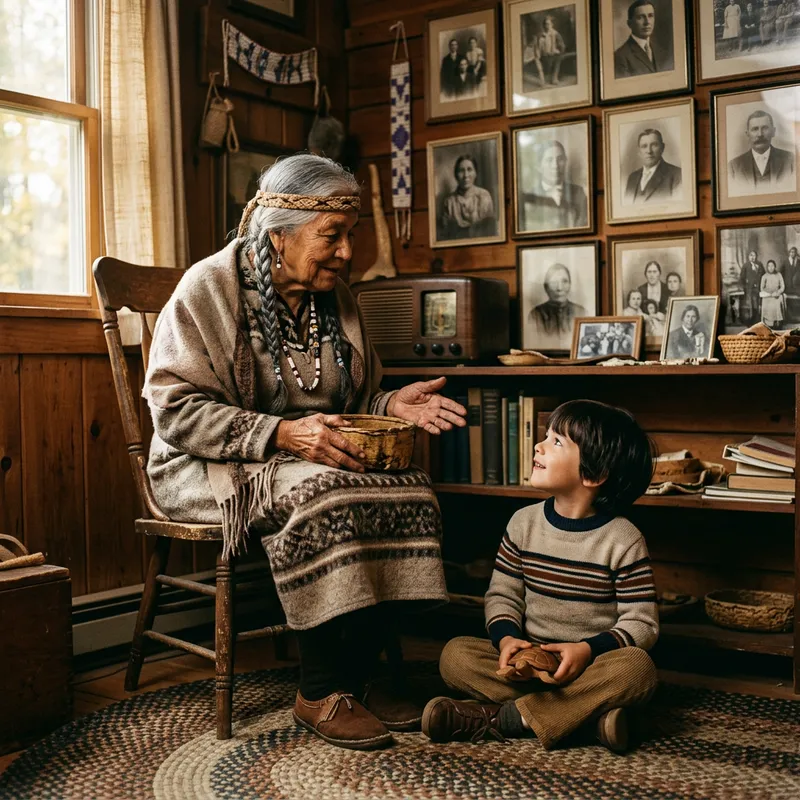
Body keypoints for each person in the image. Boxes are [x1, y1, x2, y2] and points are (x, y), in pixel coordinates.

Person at [143, 153, 468, 751]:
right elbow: (173, 409)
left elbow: (354, 396)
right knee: (327, 494)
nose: (347, 254)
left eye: (351, 236)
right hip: (210, 464)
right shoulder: (209, 288)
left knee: (409, 487)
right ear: (278, 237)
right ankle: (320, 689)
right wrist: (282, 435)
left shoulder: (334, 298)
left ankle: (359, 675)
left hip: (309, 457)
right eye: (333, 237)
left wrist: (393, 405)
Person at [420, 400, 658, 753]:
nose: (538, 445)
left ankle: (503, 719)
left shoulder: (623, 539)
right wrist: (506, 641)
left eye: (557, 442)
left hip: (590, 666)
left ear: (593, 475)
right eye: (545, 436)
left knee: (637, 669)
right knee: (455, 656)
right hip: (527, 667)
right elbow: (503, 595)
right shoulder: (522, 523)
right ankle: (586, 720)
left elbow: (643, 623)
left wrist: (587, 649)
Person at [520, 140, 588, 232]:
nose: (555, 165)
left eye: (560, 159)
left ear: (565, 162)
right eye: (549, 160)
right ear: (539, 166)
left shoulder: (580, 192)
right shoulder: (529, 198)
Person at [728, 110, 796, 194]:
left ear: (773, 132)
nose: (760, 134)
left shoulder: (790, 160)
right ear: (747, 134)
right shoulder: (734, 166)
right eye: (755, 129)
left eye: (765, 128)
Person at [528, 263, 588, 349]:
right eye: (553, 282)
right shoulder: (535, 315)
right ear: (546, 287)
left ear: (570, 284)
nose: (559, 288)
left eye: (564, 281)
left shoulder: (582, 312)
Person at [439, 154, 495, 240]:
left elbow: (490, 231)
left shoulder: (484, 196)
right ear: (456, 175)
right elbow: (446, 235)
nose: (466, 175)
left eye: (469, 169)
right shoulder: (449, 202)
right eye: (461, 170)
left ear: (475, 173)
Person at [613, 0, 673, 77]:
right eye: (640, 17)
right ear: (629, 24)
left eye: (650, 16)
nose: (647, 22)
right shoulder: (620, 56)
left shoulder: (661, 51)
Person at [624, 129, 683, 204]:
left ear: (662, 148)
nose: (649, 151)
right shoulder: (632, 178)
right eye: (644, 146)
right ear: (639, 151)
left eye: (654, 145)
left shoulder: (677, 175)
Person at [529, 15, 566, 86]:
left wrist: (558, 50)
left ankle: (554, 78)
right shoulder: (540, 35)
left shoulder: (556, 34)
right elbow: (536, 47)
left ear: (552, 25)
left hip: (554, 55)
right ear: (543, 25)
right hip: (544, 56)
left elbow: (562, 45)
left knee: (558, 58)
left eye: (548, 24)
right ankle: (542, 80)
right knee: (538, 61)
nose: (547, 26)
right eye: (545, 24)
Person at [739, 249, 766, 324]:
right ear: (748, 256)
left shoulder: (760, 264)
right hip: (749, 289)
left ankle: (758, 318)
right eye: (751, 255)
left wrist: (762, 285)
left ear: (756, 256)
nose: (752, 257)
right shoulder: (745, 265)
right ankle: (750, 319)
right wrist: (744, 286)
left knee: (758, 303)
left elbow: (764, 275)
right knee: (750, 303)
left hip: (758, 288)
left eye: (754, 255)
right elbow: (742, 278)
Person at [760, 259, 786, 327]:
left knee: (777, 300)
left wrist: (778, 292)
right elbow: (762, 288)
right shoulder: (764, 276)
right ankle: (768, 323)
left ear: (775, 267)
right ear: (767, 267)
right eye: (769, 266)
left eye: (772, 266)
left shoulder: (779, 275)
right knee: (766, 301)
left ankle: (777, 322)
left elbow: (782, 286)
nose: (770, 268)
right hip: (768, 295)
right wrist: (768, 292)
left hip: (776, 294)